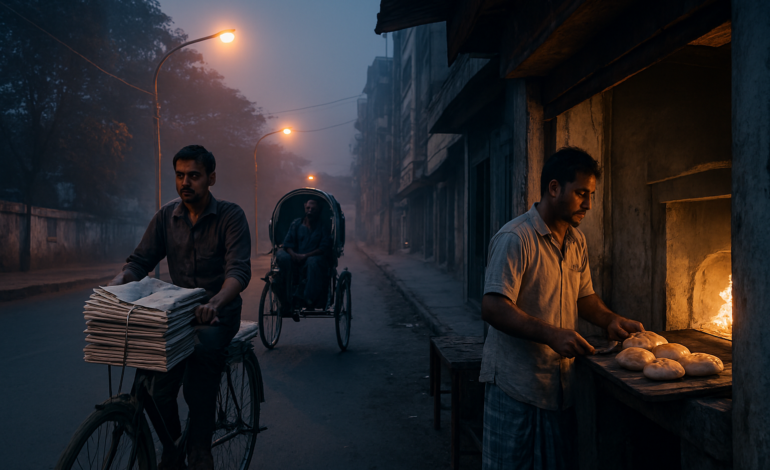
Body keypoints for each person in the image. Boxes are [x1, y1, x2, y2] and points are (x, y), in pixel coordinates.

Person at [480, 147, 644, 470]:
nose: (589, 204)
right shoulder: (516, 238)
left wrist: (610, 320)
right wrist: (551, 334)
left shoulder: (576, 242)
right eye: (581, 193)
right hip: (517, 389)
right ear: (554, 188)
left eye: (592, 194)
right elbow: (493, 307)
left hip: (560, 392)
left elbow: (584, 297)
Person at [108, 145, 251, 470]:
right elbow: (141, 261)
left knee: (199, 379)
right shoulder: (166, 216)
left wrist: (214, 302)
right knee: (156, 387)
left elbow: (238, 271)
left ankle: (200, 449)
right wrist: (117, 284)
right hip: (177, 315)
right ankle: (173, 445)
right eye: (180, 175)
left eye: (194, 176)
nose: (186, 182)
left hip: (217, 315)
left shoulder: (230, 216)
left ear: (211, 178)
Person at [274, 198, 332, 321]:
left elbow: (323, 248)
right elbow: (287, 244)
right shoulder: (296, 224)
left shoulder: (322, 227)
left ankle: (308, 298)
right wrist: (294, 255)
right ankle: (286, 297)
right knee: (281, 256)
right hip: (295, 257)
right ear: (304, 207)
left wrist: (305, 256)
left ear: (318, 211)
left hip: (313, 258)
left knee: (313, 262)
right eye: (308, 208)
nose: (310, 211)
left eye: (313, 209)